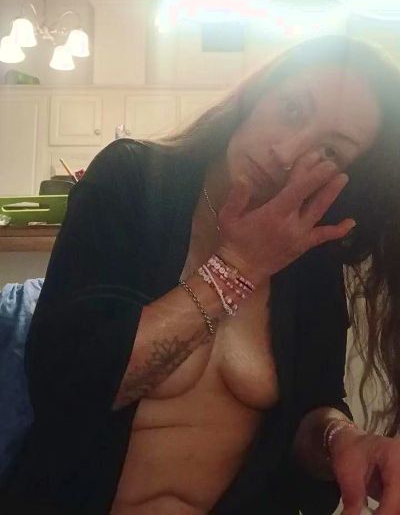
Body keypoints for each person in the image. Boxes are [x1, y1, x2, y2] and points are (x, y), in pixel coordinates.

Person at [2, 35, 400, 515]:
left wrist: (341, 438)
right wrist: (237, 268)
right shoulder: (133, 179)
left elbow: (311, 410)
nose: (287, 152)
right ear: (259, 94)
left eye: (331, 152)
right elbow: (68, 386)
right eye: (292, 109)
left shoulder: (311, 255)